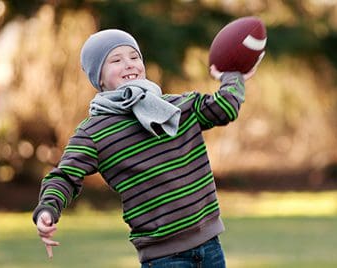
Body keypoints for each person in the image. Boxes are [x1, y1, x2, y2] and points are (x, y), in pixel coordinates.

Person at [33, 29, 259, 267]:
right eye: (116, 60)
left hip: (211, 246)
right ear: (98, 77)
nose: (129, 64)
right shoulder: (94, 132)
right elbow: (65, 177)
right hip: (164, 258)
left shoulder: (177, 107)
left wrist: (233, 76)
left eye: (134, 57)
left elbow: (224, 108)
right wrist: (47, 209)